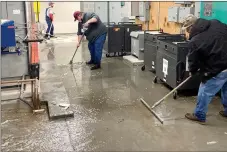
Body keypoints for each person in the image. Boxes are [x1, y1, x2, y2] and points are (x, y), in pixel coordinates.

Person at [182, 14, 227, 124]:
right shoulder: (216, 23)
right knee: (226, 88)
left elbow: (193, 62)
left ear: (190, 28)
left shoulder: (194, 41)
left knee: (205, 90)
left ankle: (199, 115)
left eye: (186, 30)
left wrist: (193, 72)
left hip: (218, 67)